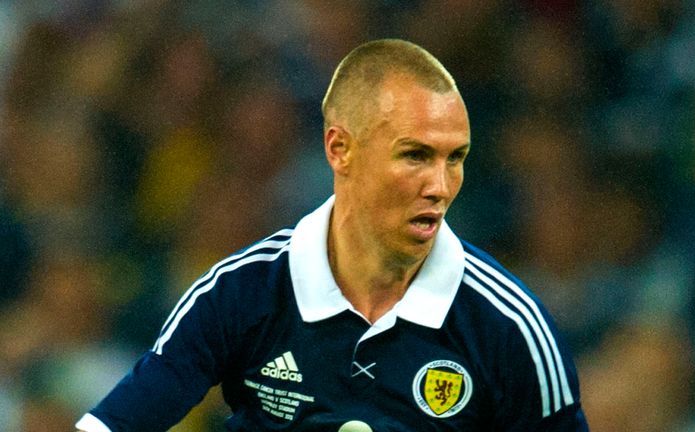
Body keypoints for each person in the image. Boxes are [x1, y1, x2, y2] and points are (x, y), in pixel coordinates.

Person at [76, 39, 589, 432]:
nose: (440, 186)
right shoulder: (240, 293)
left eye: (454, 158)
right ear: (340, 149)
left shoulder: (511, 327)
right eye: (415, 156)